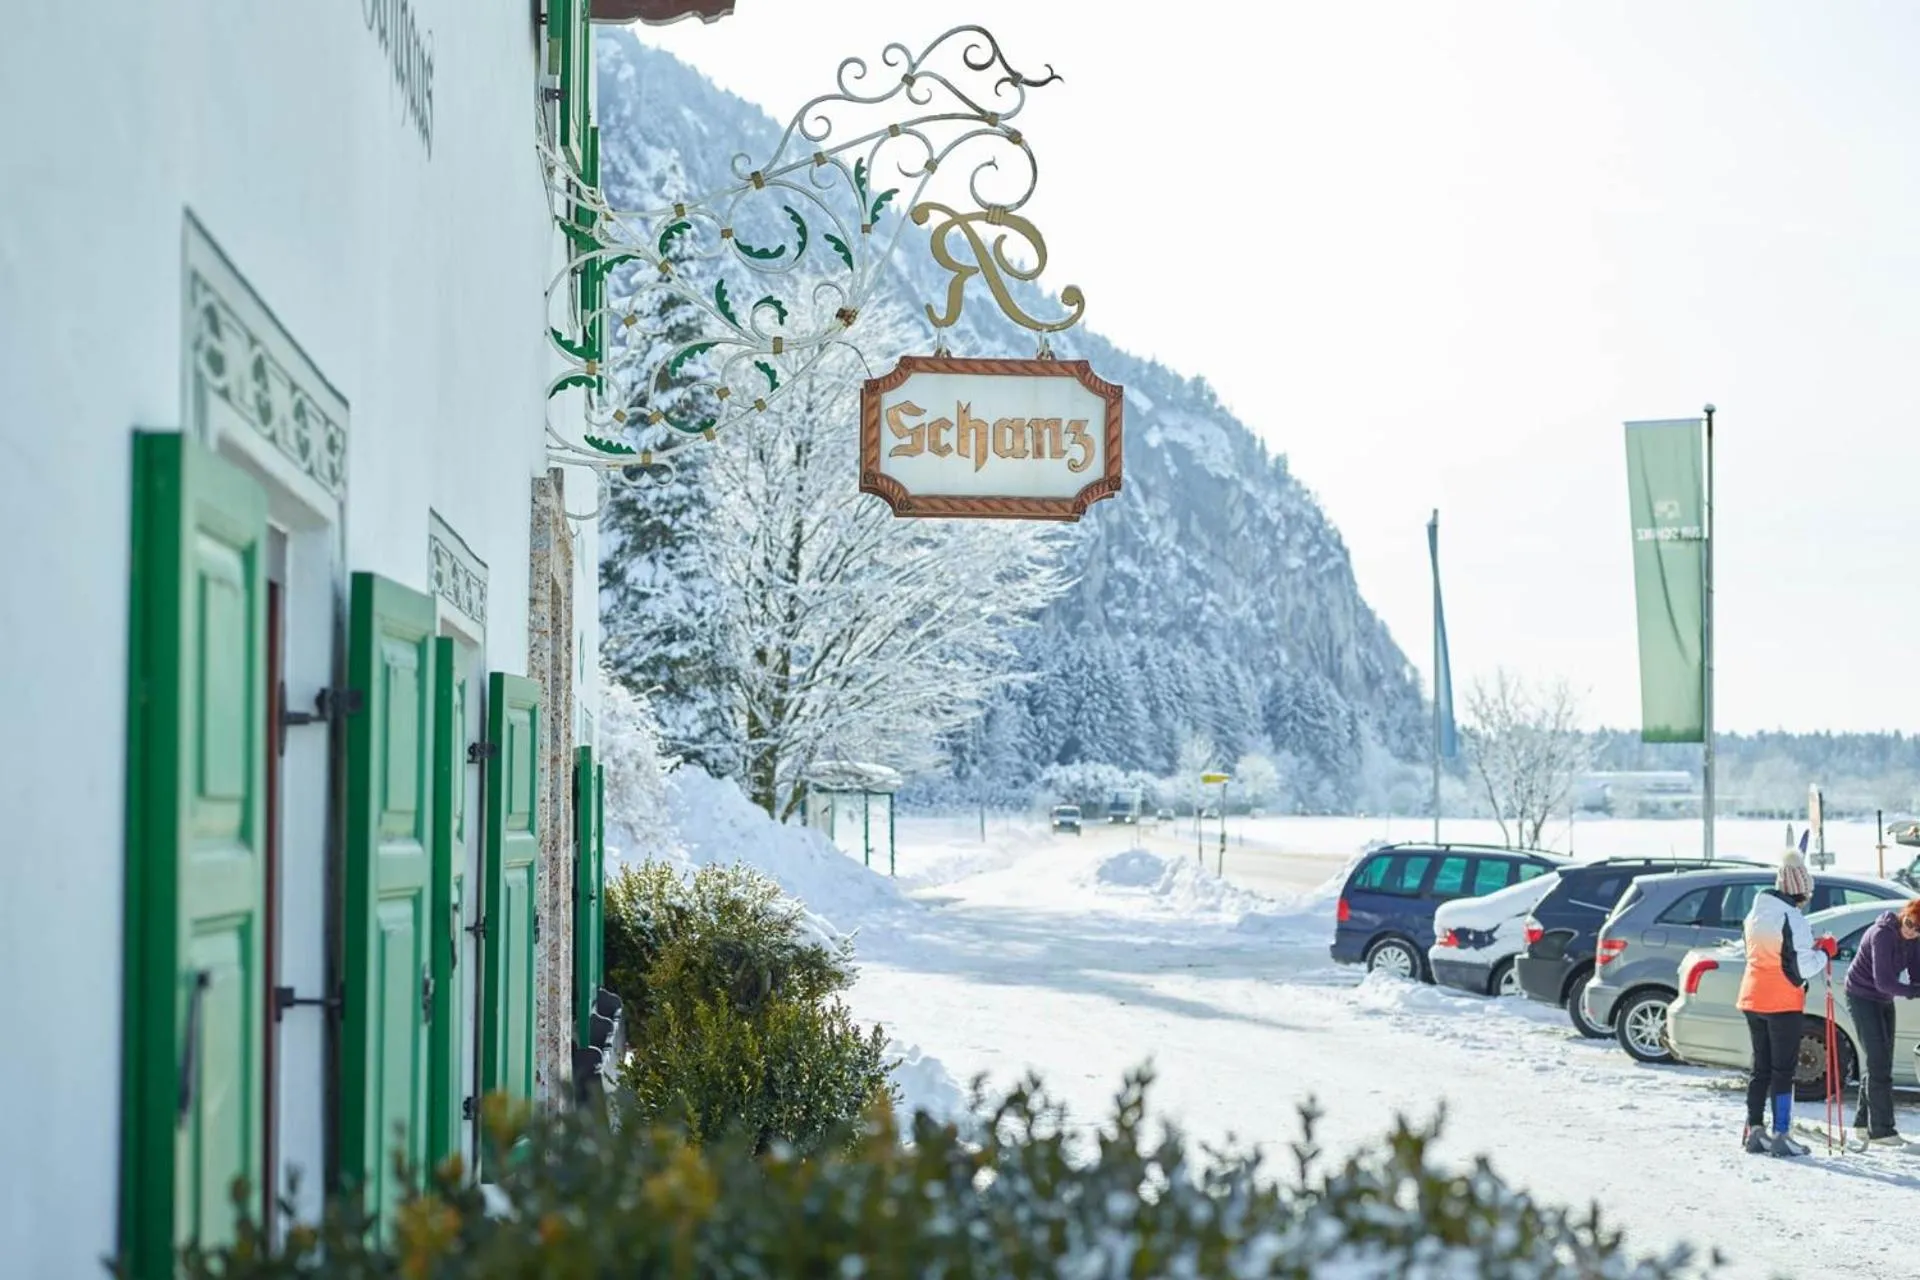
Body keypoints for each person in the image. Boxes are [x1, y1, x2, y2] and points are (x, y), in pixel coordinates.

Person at [1735, 850, 1837, 1157]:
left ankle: (1755, 1131)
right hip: (1782, 1001)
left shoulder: (1755, 914)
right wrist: (1826, 951)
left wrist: (1808, 950)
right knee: (1783, 1070)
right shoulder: (1793, 918)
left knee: (1760, 1068)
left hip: (1752, 996)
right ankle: (1781, 1133)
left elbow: (1777, 954)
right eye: (1807, 892)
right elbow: (1803, 967)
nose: (1807, 898)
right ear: (1799, 891)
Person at [1841, 898, 1920, 1148]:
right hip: (1861, 996)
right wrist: (1913, 991)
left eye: (1919, 929)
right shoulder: (1882, 934)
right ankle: (1882, 1131)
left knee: (1882, 1060)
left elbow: (1917, 974)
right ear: (1903, 915)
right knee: (1878, 1063)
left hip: (1884, 1000)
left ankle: (1863, 1125)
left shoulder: (1914, 941)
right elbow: (1883, 982)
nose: (1911, 931)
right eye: (1910, 923)